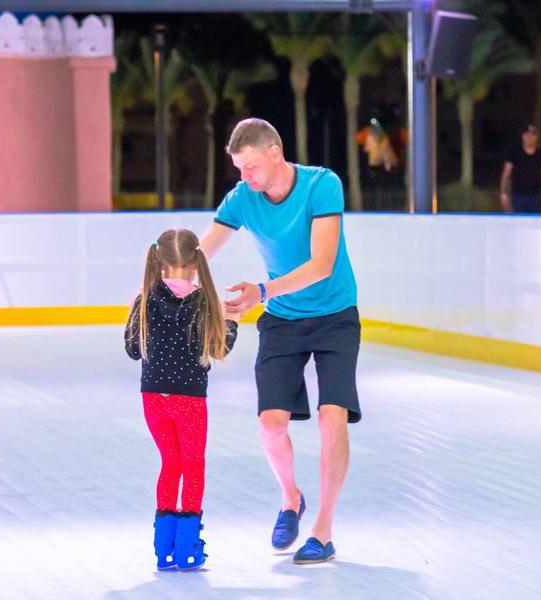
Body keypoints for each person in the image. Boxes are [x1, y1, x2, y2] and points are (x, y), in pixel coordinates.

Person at [198, 118, 360, 565]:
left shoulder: (322, 185)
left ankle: (323, 531)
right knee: (271, 424)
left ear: (275, 153)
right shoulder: (243, 198)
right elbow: (202, 250)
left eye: (250, 167)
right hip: (283, 321)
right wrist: (156, 277)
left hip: (334, 317)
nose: (244, 178)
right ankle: (291, 498)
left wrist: (261, 293)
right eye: (238, 170)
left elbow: (322, 264)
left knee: (332, 417)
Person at [124, 228, 239, 571]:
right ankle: (188, 545)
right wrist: (231, 322)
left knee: (170, 464)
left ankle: (163, 548)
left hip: (153, 399)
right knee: (193, 466)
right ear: (194, 263)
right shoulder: (204, 302)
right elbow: (218, 348)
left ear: (158, 262)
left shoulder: (144, 299)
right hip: (189, 400)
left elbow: (132, 350)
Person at [500, 124, 541, 213]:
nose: (530, 138)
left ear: (536, 137)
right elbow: (506, 175)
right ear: (523, 136)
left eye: (533, 135)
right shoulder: (514, 152)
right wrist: (503, 193)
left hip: (536, 196)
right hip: (518, 195)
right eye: (527, 135)